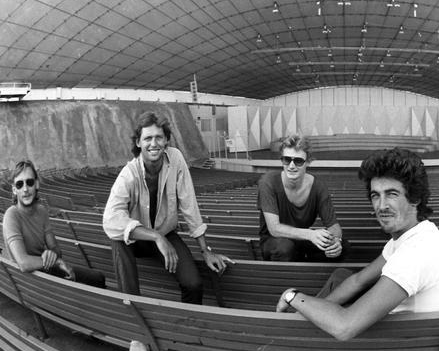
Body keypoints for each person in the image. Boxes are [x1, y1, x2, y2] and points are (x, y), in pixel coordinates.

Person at [276, 148, 439, 341]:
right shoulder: (416, 235)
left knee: (328, 306)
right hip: (411, 336)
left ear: (415, 198)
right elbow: (359, 281)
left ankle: (294, 335)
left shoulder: (415, 253)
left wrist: (293, 296)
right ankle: (300, 322)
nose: (381, 206)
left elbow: (344, 327)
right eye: (375, 195)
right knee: (342, 276)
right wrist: (310, 309)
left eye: (392, 194)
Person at [102, 111, 234, 305]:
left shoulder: (176, 159)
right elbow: (110, 220)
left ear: (166, 141)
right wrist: (155, 237)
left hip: (165, 231)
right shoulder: (128, 174)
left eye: (159, 137)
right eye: (147, 138)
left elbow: (189, 204)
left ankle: (187, 327)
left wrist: (205, 250)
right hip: (136, 239)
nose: (153, 143)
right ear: (138, 143)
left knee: (193, 283)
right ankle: (131, 308)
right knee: (118, 238)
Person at [2, 160, 105, 288]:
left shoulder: (42, 211)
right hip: (30, 280)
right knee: (98, 279)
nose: (25, 189)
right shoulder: (11, 216)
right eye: (19, 184)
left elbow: (55, 248)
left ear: (37, 184)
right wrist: (56, 262)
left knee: (99, 278)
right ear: (14, 190)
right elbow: (24, 263)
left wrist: (52, 254)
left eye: (29, 182)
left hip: (44, 270)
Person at [257, 134, 346, 262]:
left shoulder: (318, 187)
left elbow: (333, 226)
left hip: (302, 238)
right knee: (285, 248)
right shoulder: (267, 183)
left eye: (298, 161)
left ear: (308, 162)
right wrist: (310, 234)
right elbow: (274, 229)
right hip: (274, 241)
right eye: (287, 160)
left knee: (343, 247)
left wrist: (337, 241)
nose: (292, 166)